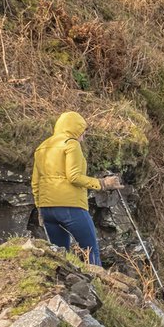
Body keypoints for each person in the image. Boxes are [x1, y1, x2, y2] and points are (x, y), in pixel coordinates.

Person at [32, 111, 121, 267]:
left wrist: (40, 207)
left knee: (60, 256)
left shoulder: (42, 147)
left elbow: (35, 182)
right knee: (90, 251)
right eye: (83, 131)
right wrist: (102, 183)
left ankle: (62, 281)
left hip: (47, 208)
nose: (83, 136)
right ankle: (98, 282)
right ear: (75, 128)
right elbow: (74, 176)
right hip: (71, 207)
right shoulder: (71, 144)